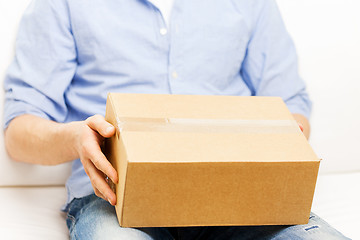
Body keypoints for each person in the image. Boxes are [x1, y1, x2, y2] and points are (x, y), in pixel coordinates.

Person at [3, 0, 350, 239]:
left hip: (239, 195)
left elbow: (291, 104)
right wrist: (77, 138)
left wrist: (284, 137)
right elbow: (18, 132)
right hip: (114, 196)